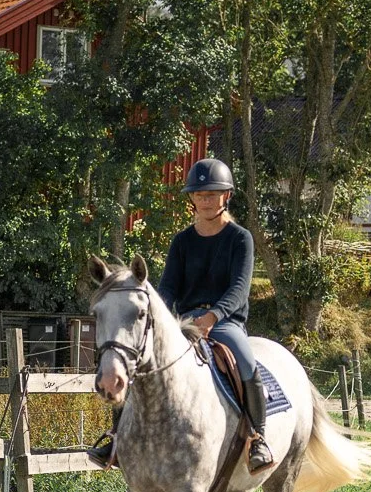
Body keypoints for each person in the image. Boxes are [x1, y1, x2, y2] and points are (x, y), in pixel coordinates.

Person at [89, 158, 275, 472]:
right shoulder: (182, 241)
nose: (205, 199)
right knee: (140, 361)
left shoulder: (240, 238)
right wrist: (161, 319)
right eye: (199, 194)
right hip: (184, 321)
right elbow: (169, 289)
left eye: (212, 193)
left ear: (225, 196)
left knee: (245, 360)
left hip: (225, 322)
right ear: (192, 198)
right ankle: (116, 437)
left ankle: (258, 436)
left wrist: (213, 317)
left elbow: (240, 288)